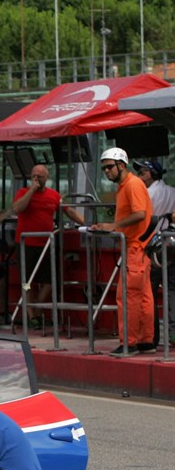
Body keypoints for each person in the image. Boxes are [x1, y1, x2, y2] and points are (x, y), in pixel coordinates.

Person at [92, 147, 154, 356]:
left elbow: (139, 213)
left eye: (109, 167)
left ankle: (130, 342)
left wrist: (112, 225)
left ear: (121, 165)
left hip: (136, 246)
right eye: (104, 169)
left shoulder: (132, 184)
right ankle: (146, 341)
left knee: (127, 296)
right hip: (138, 246)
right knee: (143, 296)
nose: (107, 171)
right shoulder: (126, 186)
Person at [12, 164, 87, 327]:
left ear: (47, 177)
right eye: (34, 175)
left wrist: (88, 224)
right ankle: (32, 315)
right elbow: (18, 208)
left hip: (46, 244)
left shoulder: (53, 195)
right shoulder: (23, 192)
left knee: (51, 279)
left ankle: (37, 307)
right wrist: (32, 189)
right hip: (26, 243)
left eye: (40, 176)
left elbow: (69, 211)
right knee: (27, 281)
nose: (37, 178)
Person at [135, 160, 174, 349]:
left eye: (142, 173)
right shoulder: (172, 191)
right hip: (171, 243)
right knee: (172, 290)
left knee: (148, 293)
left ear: (150, 174)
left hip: (152, 247)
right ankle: (173, 334)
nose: (139, 176)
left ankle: (151, 337)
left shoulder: (147, 193)